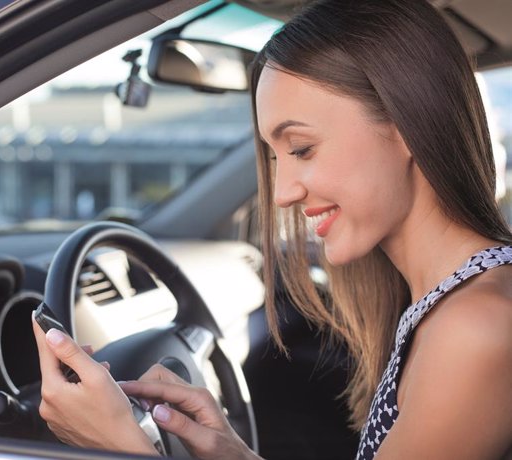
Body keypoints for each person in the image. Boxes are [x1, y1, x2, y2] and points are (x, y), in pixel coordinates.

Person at [32, 0, 512, 458]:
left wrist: (123, 448)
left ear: (407, 124)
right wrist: (230, 453)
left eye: (301, 148)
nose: (282, 192)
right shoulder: (448, 304)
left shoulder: (476, 328)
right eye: (274, 156)